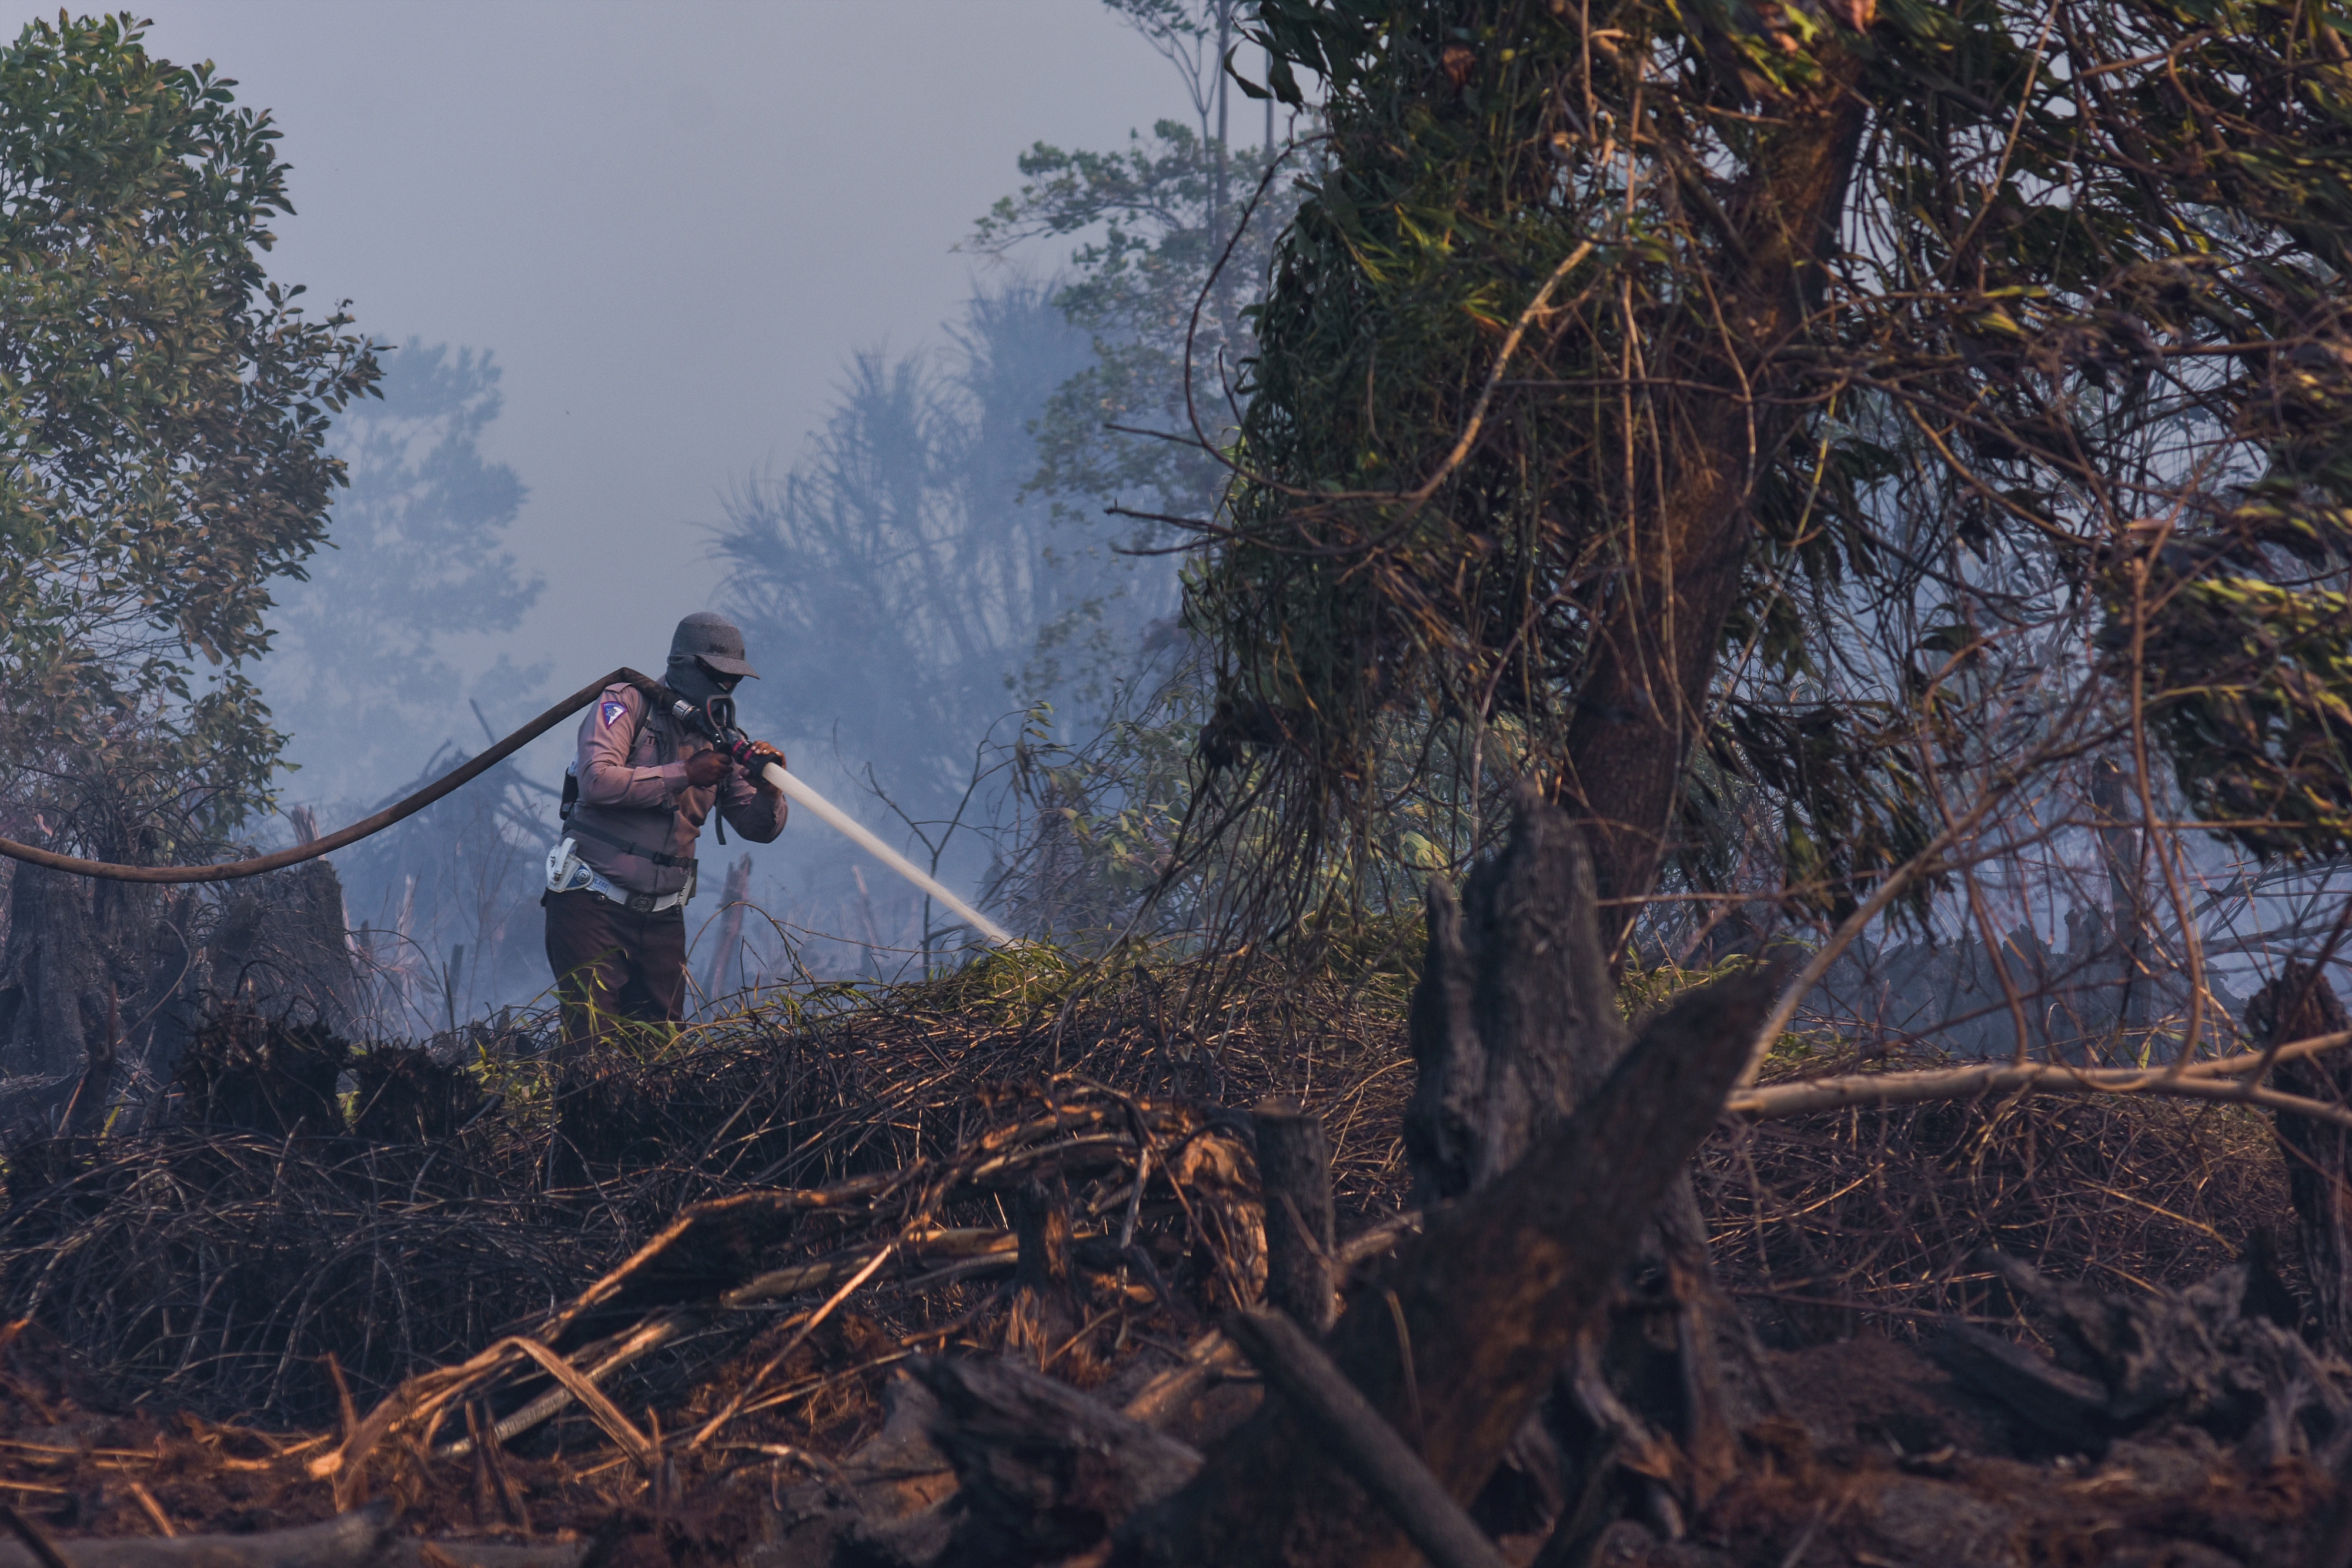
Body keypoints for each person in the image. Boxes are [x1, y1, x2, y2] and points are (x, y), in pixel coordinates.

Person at [543, 611, 787, 1056]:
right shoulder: (625, 704)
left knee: (660, 1055)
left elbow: (756, 827)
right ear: (685, 666)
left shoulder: (724, 741)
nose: (725, 689)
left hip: (662, 918)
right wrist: (683, 773)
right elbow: (597, 779)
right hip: (593, 902)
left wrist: (770, 790)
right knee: (588, 1046)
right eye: (716, 676)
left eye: (733, 681)